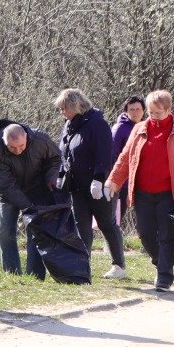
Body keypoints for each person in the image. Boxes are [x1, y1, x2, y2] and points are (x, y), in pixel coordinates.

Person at [107, 90, 174, 292]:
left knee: (167, 234)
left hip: (170, 192)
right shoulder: (139, 129)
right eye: (150, 112)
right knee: (145, 233)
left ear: (169, 110)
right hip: (143, 192)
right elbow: (125, 157)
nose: (153, 116)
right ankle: (161, 260)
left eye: (158, 112)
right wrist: (112, 181)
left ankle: (164, 277)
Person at [55, 89, 128, 280]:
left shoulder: (97, 124)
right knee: (82, 226)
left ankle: (118, 265)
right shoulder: (69, 125)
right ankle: (82, 264)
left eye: (65, 108)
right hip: (77, 186)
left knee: (107, 224)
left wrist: (99, 178)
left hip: (98, 185)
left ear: (76, 106)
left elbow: (104, 153)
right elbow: (65, 153)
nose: (63, 112)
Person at [0, 117, 62, 276]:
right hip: (8, 193)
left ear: (26, 137)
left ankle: (35, 274)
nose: (18, 151)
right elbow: (5, 185)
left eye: (21, 146)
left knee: (35, 231)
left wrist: (51, 177)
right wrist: (27, 206)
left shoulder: (41, 139)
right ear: (4, 142)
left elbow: (56, 158)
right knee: (5, 231)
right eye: (12, 148)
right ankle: (12, 273)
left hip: (37, 189)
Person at [108, 96, 145, 236]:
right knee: (117, 215)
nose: (135, 112)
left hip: (140, 180)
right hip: (122, 182)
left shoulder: (144, 127)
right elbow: (113, 155)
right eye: (131, 109)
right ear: (126, 111)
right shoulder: (120, 129)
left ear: (143, 111)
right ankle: (112, 245)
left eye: (138, 109)